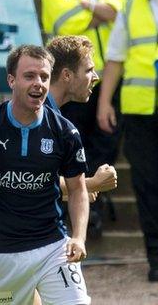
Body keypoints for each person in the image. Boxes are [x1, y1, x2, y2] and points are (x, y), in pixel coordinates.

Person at [40, 0, 134, 236]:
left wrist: (89, 7)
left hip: (109, 79)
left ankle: (92, 204)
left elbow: (126, 12)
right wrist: (107, 13)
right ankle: (76, 205)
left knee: (105, 145)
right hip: (73, 80)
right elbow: (64, 27)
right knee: (71, 145)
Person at [0, 45, 90, 305]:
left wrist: (78, 237)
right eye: (29, 76)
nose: (39, 84)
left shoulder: (65, 132)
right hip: (0, 252)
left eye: (44, 77)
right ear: (11, 80)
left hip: (52, 247)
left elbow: (78, 190)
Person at [97, 0, 158, 282]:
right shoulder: (131, 6)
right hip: (140, 111)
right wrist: (104, 102)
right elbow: (115, 57)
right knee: (147, 188)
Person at [45, 35, 117, 197]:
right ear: (67, 75)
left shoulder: (52, 114)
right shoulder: (39, 115)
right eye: (89, 70)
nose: (96, 77)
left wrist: (70, 194)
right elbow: (31, 181)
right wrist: (90, 184)